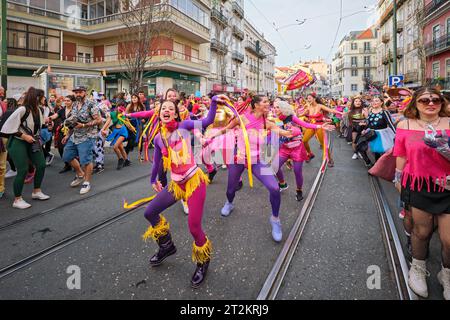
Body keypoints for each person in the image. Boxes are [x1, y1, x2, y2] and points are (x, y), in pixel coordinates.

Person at [141, 95, 221, 288]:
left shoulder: (184, 126)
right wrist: (154, 180)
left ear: (175, 113)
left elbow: (207, 121)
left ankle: (203, 261)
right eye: (163, 109)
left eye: (170, 108)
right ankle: (166, 246)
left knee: (194, 227)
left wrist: (213, 102)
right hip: (176, 184)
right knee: (149, 212)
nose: (166, 111)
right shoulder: (159, 137)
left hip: (194, 181)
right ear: (159, 114)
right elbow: (158, 162)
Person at [211, 95, 297, 242]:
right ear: (256, 105)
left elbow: (281, 131)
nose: (268, 104)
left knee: (274, 188)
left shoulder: (267, 122)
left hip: (256, 160)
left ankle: (275, 219)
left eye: (268, 102)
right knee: (230, 190)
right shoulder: (242, 118)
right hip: (238, 159)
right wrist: (210, 138)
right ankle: (229, 203)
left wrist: (291, 132)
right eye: (264, 102)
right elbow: (226, 129)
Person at [393, 87, 450, 300]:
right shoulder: (405, 125)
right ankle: (417, 268)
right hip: (418, 185)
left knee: (449, 239)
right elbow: (401, 155)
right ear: (415, 104)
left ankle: (446, 274)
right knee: (422, 232)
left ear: (442, 102)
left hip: (448, 186)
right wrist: (398, 179)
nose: (430, 103)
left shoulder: (449, 123)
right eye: (424, 100)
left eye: (436, 99)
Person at [273, 100, 334, 201]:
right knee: (275, 167)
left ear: (283, 108)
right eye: (274, 107)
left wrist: (319, 126)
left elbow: (305, 125)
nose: (275, 109)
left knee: (297, 171)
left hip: (297, 148)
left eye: (278, 107)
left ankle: (299, 190)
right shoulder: (275, 119)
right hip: (284, 148)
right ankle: (282, 183)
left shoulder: (292, 117)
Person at [0, 87, 49, 209]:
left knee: (41, 164)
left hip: (33, 141)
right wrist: (24, 136)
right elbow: (8, 128)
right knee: (22, 169)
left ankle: (37, 191)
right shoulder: (22, 109)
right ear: (36, 97)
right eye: (42, 96)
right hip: (18, 141)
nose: (44, 99)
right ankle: (17, 199)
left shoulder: (38, 109)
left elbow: (39, 126)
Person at [62, 86, 102, 195]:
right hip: (75, 135)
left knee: (86, 160)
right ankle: (80, 174)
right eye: (76, 92)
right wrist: (67, 134)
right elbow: (74, 120)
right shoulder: (75, 104)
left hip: (87, 136)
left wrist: (84, 124)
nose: (78, 94)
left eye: (80, 92)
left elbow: (98, 120)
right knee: (67, 156)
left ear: (85, 92)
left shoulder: (91, 104)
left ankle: (87, 182)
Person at [301, 93, 342, 167]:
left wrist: (341, 112)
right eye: (307, 98)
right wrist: (298, 111)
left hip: (320, 126)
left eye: (310, 98)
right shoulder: (308, 107)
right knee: (304, 141)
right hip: (311, 126)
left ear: (314, 98)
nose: (308, 100)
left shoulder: (320, 106)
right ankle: (310, 154)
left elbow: (331, 110)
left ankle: (329, 159)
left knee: (323, 143)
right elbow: (301, 114)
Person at [47, 95, 75, 173]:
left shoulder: (75, 110)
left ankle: (76, 164)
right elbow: (55, 116)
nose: (66, 102)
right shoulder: (62, 110)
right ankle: (67, 165)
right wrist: (49, 118)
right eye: (65, 100)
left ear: (72, 101)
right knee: (60, 148)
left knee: (72, 149)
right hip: (62, 131)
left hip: (73, 131)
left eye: (68, 100)